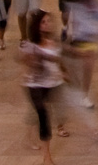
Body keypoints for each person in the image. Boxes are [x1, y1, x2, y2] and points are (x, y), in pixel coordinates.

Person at [19, 10, 67, 160]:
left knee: (52, 112)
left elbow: (60, 61)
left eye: (49, 21)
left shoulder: (55, 42)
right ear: (37, 26)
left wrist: (63, 72)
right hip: (34, 85)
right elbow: (26, 63)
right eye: (43, 22)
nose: (47, 25)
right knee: (42, 113)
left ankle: (35, 140)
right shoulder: (30, 45)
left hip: (52, 83)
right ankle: (47, 156)